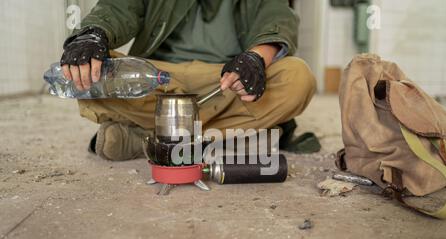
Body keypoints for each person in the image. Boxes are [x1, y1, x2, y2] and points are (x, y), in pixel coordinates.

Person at [61, 0, 317, 161]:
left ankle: (149, 142)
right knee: (85, 73)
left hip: (224, 84)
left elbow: (276, 15)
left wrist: (255, 58)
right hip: (159, 80)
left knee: (298, 77)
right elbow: (117, 8)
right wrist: (93, 34)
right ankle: (231, 140)